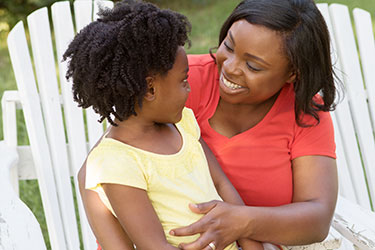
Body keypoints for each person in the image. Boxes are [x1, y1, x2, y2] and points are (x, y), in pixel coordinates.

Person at [78, 0, 339, 249]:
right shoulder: (173, 79)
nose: (230, 68)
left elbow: (316, 217)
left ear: (292, 73)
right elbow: (96, 171)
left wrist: (243, 224)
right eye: (229, 45)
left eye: (253, 65)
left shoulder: (303, 113)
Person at [64, 0, 263, 249]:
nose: (189, 89)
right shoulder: (117, 162)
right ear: (150, 89)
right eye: (184, 81)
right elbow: (154, 245)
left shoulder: (183, 126)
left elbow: (222, 184)